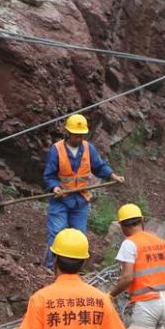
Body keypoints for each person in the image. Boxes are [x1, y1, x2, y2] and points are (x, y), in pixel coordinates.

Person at [43, 113, 124, 268]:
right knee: (57, 233)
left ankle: (73, 270)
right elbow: (49, 175)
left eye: (81, 136)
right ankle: (49, 268)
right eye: (76, 136)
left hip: (80, 200)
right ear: (68, 133)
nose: (79, 139)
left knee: (79, 237)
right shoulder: (57, 150)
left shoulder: (88, 148)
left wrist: (113, 176)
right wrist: (55, 187)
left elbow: (99, 166)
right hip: (61, 200)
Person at [108, 203, 165, 329]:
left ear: (122, 226)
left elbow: (127, 277)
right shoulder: (160, 242)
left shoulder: (130, 243)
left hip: (147, 304)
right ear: (142, 221)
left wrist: (110, 295)